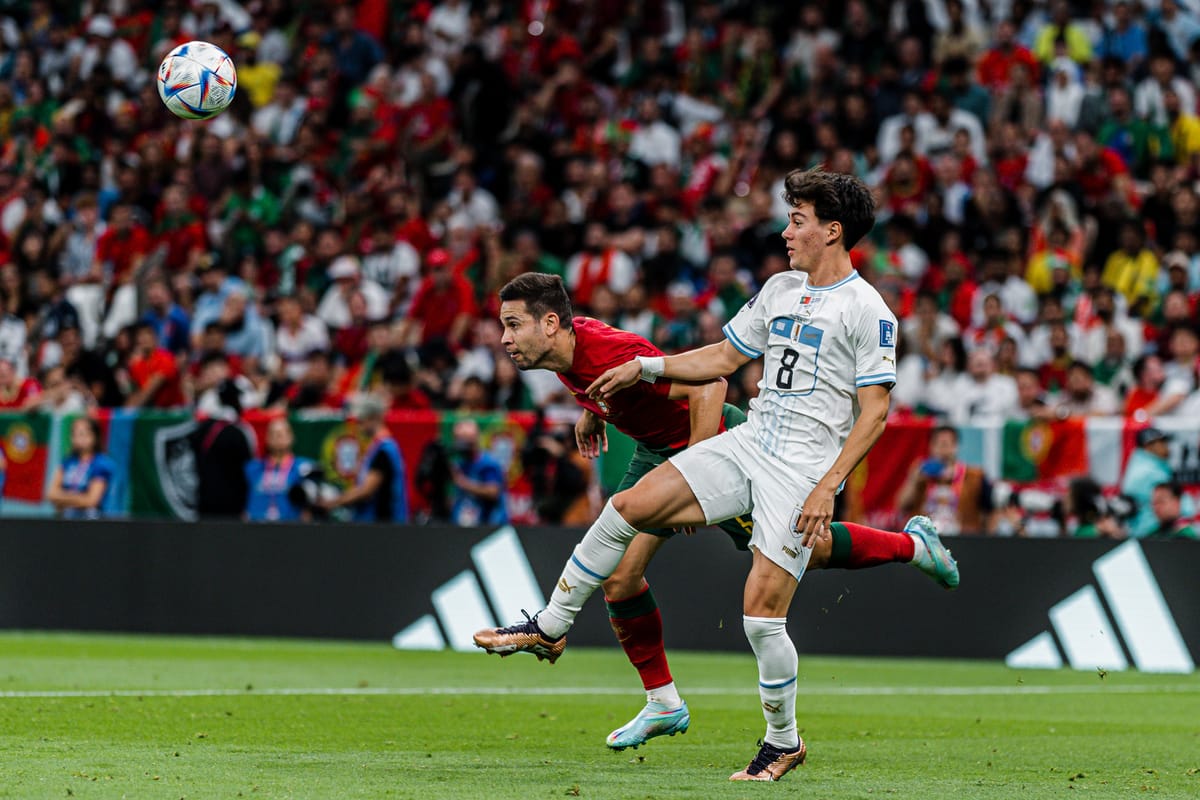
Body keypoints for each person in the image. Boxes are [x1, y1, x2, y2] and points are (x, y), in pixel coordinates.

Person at [474, 170, 960, 782]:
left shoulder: (869, 311)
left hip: (803, 468)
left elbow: (876, 413)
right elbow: (724, 358)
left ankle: (782, 741)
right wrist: (647, 368)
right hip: (751, 439)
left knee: (761, 612)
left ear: (833, 232)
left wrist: (825, 485)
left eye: (798, 220)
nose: (786, 231)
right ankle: (550, 626)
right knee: (629, 507)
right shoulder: (780, 289)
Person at [477, 271, 751, 752]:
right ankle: (664, 702)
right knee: (620, 578)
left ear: (550, 323)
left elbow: (711, 385)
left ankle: (911, 548)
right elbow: (601, 377)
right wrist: (593, 409)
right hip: (656, 449)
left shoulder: (604, 352)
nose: (504, 339)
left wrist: (697, 475)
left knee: (812, 549)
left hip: (717, 442)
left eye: (514, 325)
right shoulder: (565, 348)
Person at [319, 393, 408, 522]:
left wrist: (334, 502)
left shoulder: (384, 450)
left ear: (374, 418)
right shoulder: (377, 447)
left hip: (383, 524)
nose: (359, 427)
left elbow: (367, 490)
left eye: (361, 421)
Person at [897, 425, 993, 535]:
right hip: (926, 539)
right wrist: (914, 481)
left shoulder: (973, 476)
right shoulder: (921, 473)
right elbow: (902, 505)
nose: (943, 449)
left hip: (963, 538)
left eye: (946, 444)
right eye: (938, 444)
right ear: (931, 446)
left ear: (956, 446)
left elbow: (990, 510)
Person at [245, 417, 319, 522]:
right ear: (267, 438)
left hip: (291, 528)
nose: (278, 437)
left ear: (292, 437)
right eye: (273, 433)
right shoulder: (253, 468)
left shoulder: (305, 468)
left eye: (282, 433)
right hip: (256, 527)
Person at [46, 417, 117, 519]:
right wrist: (79, 499)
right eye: (75, 434)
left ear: (95, 436)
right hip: (65, 520)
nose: (79, 439)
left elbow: (92, 500)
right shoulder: (67, 461)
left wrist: (63, 499)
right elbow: (51, 494)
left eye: (83, 434)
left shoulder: (102, 464)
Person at [448, 417, 508, 527]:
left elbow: (493, 491)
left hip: (488, 525)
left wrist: (464, 484)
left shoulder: (488, 463)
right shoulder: (460, 464)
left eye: (464, 440)